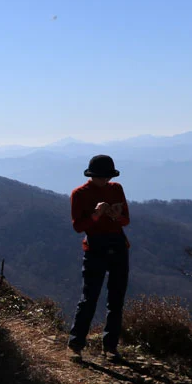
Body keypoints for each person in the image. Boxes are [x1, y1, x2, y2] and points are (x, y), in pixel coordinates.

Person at [68, 154, 130, 360]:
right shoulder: (79, 194)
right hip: (95, 247)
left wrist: (114, 215)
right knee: (89, 297)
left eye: (108, 177)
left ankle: (110, 347)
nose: (105, 180)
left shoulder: (116, 189)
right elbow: (78, 226)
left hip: (118, 245)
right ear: (92, 175)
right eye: (101, 177)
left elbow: (125, 220)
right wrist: (96, 214)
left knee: (116, 298)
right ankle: (75, 344)